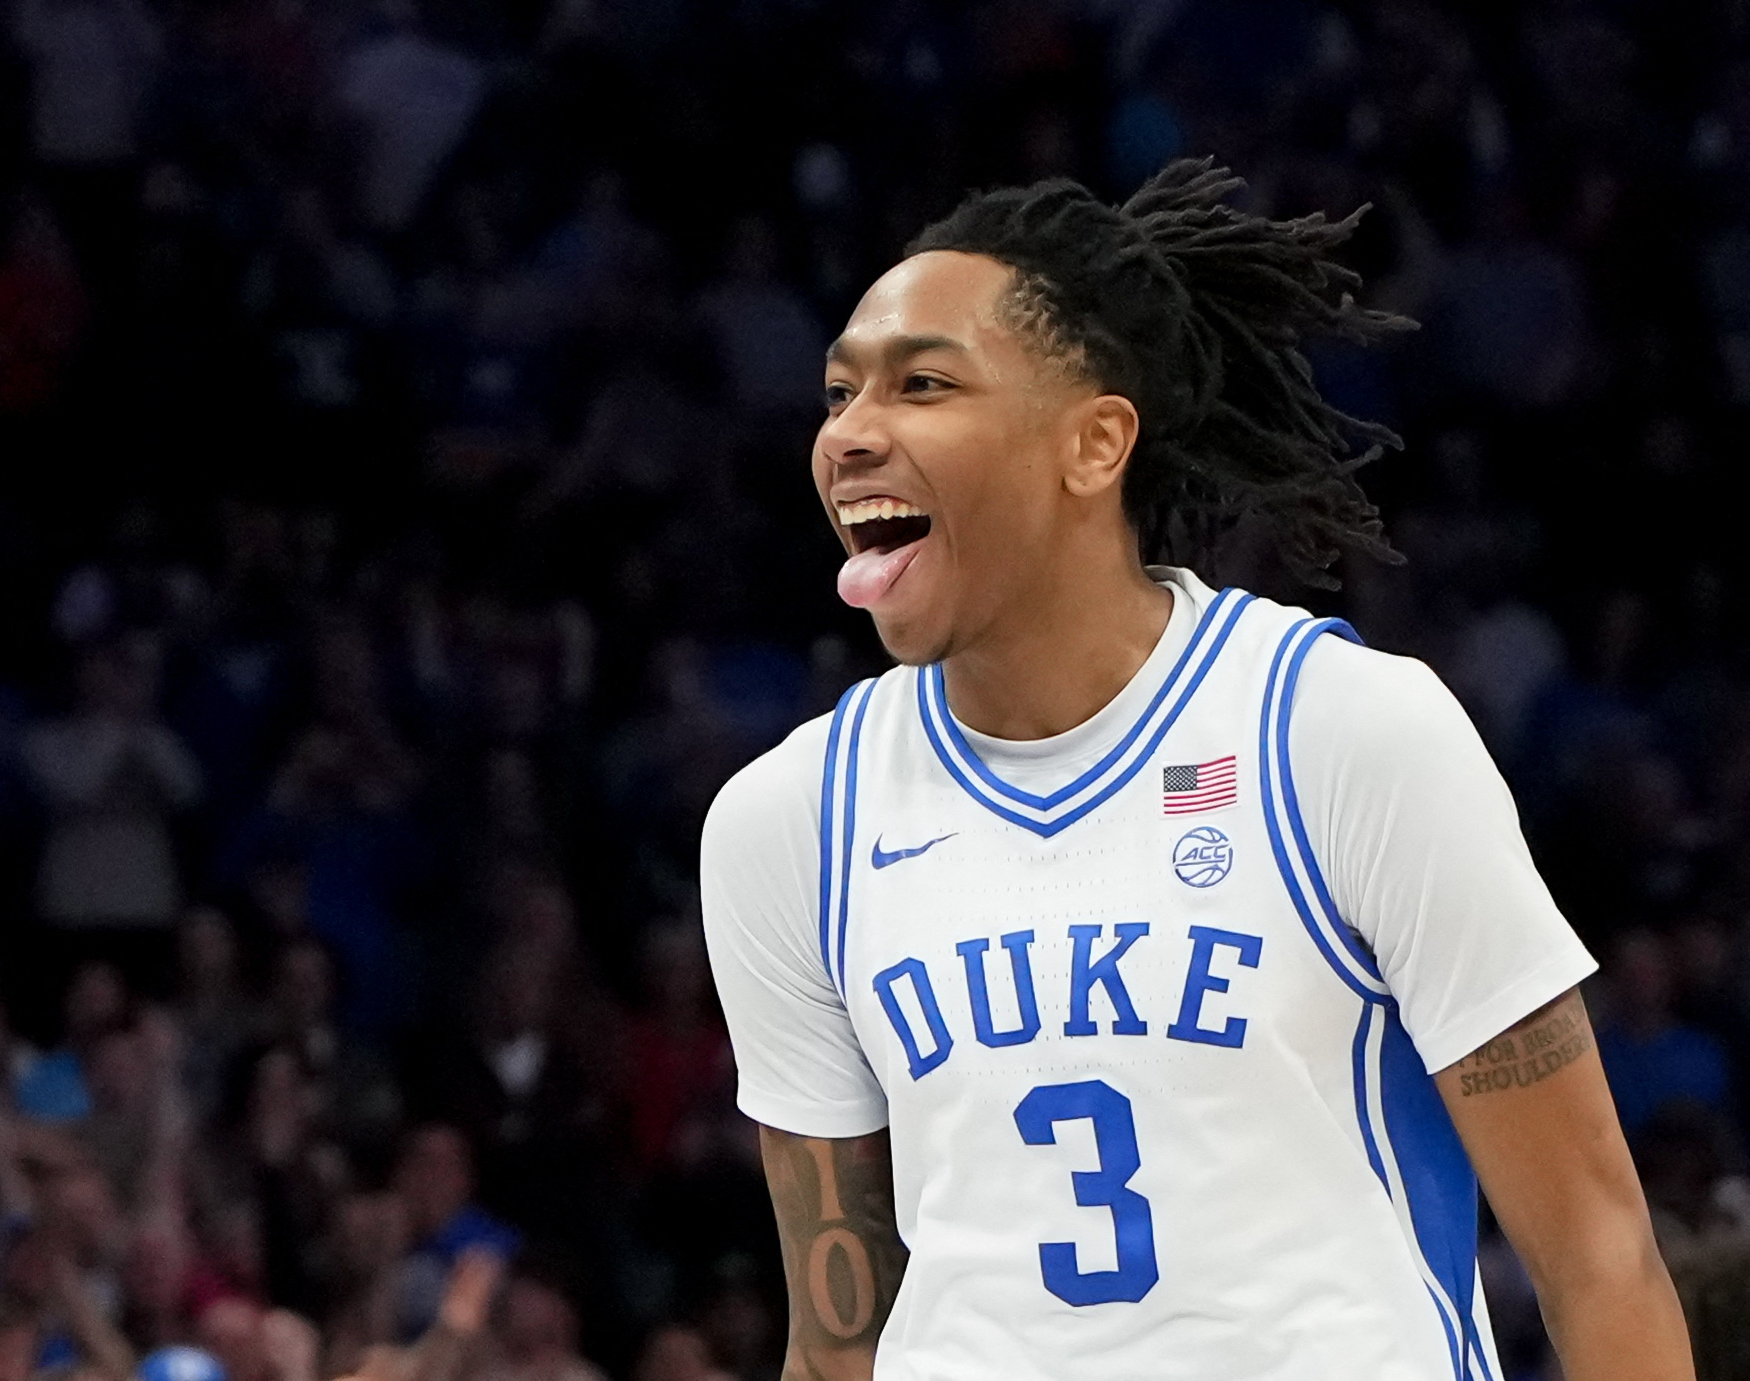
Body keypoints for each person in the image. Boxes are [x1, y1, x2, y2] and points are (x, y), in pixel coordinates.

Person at [699, 161, 1694, 1380]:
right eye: (839, 392)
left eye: (923, 385)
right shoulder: (787, 823)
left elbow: (1598, 1252)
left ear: (1093, 442)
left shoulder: (1339, 732)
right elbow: (834, 1339)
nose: (849, 433)